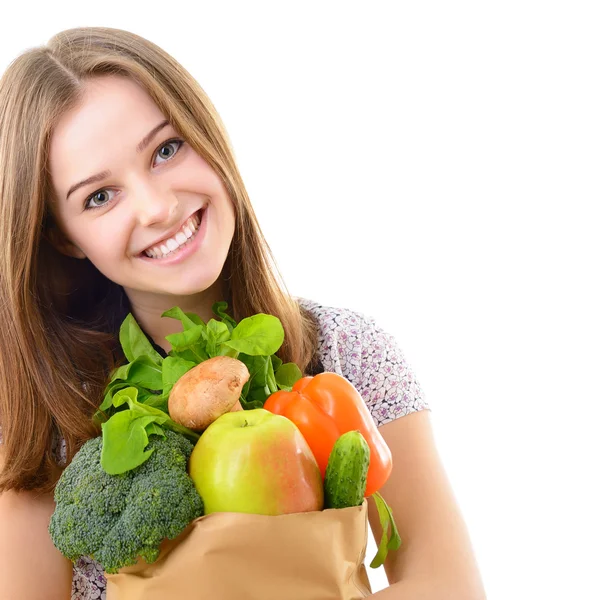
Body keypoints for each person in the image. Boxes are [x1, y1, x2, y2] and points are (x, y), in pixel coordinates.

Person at [0, 27, 486, 600]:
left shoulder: (346, 352)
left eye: (165, 149)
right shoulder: (44, 412)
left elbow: (448, 585)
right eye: (99, 197)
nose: (158, 207)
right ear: (63, 237)